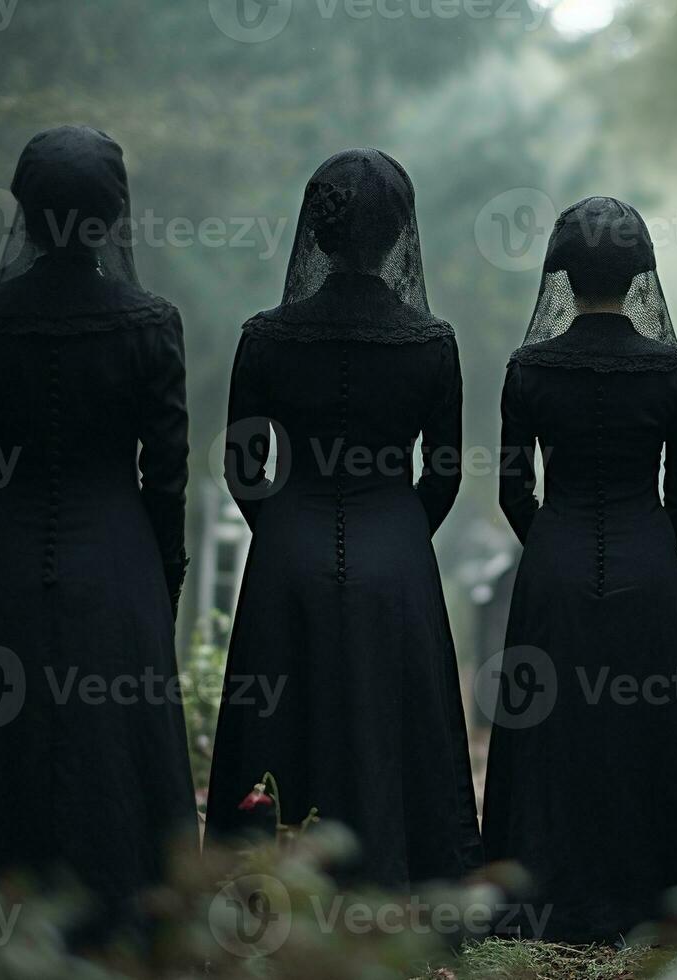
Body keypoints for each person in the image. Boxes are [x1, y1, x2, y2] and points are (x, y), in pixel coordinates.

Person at [0, 125, 195, 961]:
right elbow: (169, 476)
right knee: (116, 750)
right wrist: (162, 576)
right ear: (114, 212)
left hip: (3, 556)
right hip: (117, 562)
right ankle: (122, 932)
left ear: (27, 210)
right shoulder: (150, 323)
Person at [205, 150, 482, 886]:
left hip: (287, 551)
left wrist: (285, 524)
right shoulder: (431, 342)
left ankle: (262, 890)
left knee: (281, 720)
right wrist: (397, 526)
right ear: (397, 237)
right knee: (392, 718)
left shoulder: (266, 336)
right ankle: (400, 885)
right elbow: (444, 472)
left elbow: (242, 464)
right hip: (396, 553)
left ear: (318, 234)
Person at [483, 197, 677, 941]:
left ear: (563, 274)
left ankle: (547, 896)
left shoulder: (529, 367)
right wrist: (646, 541)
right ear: (640, 271)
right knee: (650, 731)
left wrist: (552, 542)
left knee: (553, 730)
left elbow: (514, 490)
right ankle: (655, 900)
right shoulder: (673, 368)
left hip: (555, 560)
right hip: (650, 561)